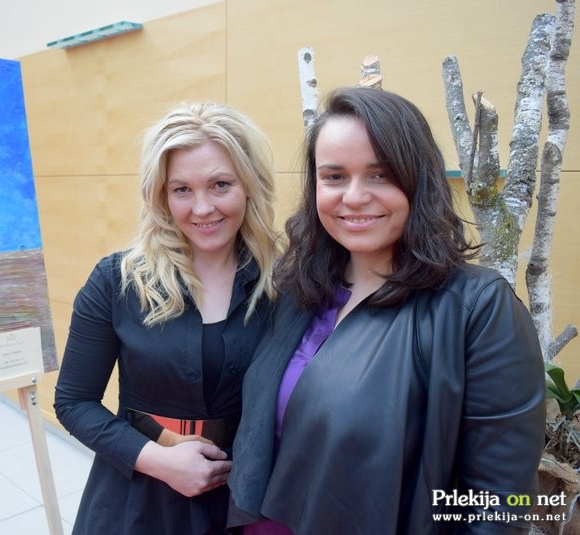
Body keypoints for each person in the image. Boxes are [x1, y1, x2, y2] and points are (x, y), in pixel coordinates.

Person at [227, 87, 545, 533]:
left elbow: (501, 504)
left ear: (418, 180)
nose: (354, 197)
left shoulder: (475, 308)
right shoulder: (298, 290)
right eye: (334, 177)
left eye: (379, 175)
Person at [54, 101, 281, 534]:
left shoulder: (283, 283)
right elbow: (74, 402)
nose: (202, 208)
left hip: (246, 499)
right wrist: (161, 462)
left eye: (220, 185)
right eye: (182, 190)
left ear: (249, 185)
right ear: (161, 194)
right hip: (139, 497)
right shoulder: (117, 281)